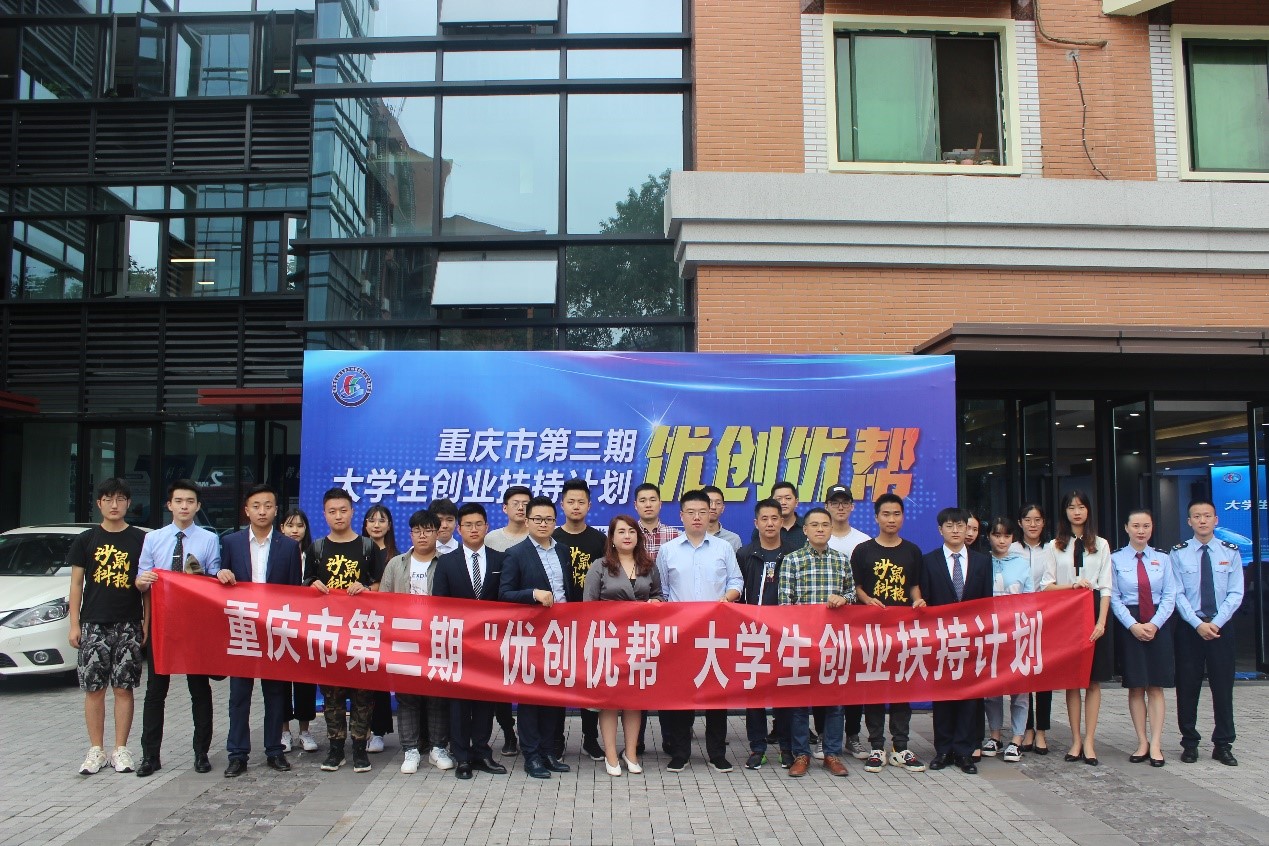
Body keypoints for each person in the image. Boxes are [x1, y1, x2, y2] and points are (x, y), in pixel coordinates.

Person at [134, 479, 221, 778]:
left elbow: (213, 580)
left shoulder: (209, 539)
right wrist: (142, 581)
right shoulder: (153, 538)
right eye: (179, 501)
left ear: (198, 506)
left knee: (200, 690)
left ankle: (201, 753)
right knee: (156, 691)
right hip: (163, 623)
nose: (184, 506)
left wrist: (209, 576)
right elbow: (141, 579)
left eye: (190, 501)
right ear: (169, 505)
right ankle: (150, 755)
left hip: (194, 624)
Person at [216, 484, 303, 777]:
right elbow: (218, 584)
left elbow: (294, 592)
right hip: (242, 627)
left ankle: (274, 750)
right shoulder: (231, 542)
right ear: (247, 510)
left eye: (267, 505)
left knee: (275, 693)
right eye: (256, 506)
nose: (262, 511)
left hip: (274, 628)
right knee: (239, 695)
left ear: (276, 510)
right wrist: (220, 574)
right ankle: (237, 754)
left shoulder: (288, 547)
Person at [656, 489, 743, 773]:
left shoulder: (723, 548)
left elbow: (736, 580)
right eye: (691, 512)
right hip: (680, 633)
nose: (697, 517)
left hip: (715, 632)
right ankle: (680, 752)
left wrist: (727, 598)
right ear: (681, 516)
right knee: (681, 694)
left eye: (702, 512)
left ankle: (717, 753)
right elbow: (662, 590)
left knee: (716, 694)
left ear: (710, 514)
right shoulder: (668, 550)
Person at [69, 478, 147, 776]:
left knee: (124, 688)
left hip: (129, 623)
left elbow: (147, 587)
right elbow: (76, 585)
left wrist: (147, 623)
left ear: (128, 503)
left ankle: (121, 749)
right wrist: (74, 624)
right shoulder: (86, 539)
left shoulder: (140, 539)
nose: (114, 505)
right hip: (93, 623)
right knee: (94, 689)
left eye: (120, 499)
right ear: (99, 503)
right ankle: (96, 749)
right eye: (108, 499)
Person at [304, 487, 383, 774]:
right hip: (329, 632)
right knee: (332, 694)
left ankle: (360, 749)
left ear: (352, 512)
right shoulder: (316, 548)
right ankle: (336, 749)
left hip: (362, 631)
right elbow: (306, 584)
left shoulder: (368, 547)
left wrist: (367, 589)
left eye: (343, 510)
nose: (338, 516)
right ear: (324, 514)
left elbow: (380, 585)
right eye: (332, 511)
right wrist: (313, 587)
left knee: (363, 694)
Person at [582, 514, 665, 776]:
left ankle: (630, 753)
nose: (627, 536)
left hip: (639, 642)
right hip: (607, 642)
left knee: (633, 699)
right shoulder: (600, 566)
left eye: (631, 531)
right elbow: (588, 606)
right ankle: (610, 754)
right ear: (612, 538)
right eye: (621, 532)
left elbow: (659, 595)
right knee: (609, 700)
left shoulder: (648, 565)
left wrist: (656, 602)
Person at [850, 492, 926, 774]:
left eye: (896, 514)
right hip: (872, 631)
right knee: (874, 687)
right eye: (886, 514)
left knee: (901, 687)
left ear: (903, 517)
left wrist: (918, 601)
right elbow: (856, 586)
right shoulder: (863, 550)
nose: (891, 519)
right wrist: (867, 600)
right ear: (876, 518)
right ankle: (876, 746)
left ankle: (900, 747)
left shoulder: (912, 551)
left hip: (903, 631)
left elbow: (914, 586)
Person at [431, 502, 508, 780]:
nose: (473, 529)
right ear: (459, 529)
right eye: (468, 525)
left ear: (487, 527)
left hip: (490, 645)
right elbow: (439, 604)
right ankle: (462, 756)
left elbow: (506, 600)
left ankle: (482, 752)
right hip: (458, 644)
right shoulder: (447, 562)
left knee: (485, 701)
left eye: (478, 524)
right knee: (459, 703)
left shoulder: (500, 560)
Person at [780, 507, 855, 778]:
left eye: (825, 524)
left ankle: (832, 754)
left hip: (834, 643)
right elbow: (784, 605)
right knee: (800, 702)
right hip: (802, 642)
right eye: (814, 525)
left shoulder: (841, 560)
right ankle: (801, 754)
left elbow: (851, 593)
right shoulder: (792, 560)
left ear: (831, 529)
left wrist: (844, 599)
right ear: (805, 530)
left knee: (835, 702)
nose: (820, 529)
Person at [500, 496, 572, 779]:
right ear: (527, 521)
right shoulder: (516, 554)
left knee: (554, 695)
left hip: (560, 634)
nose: (543, 524)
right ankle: (531, 755)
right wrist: (532, 594)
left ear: (555, 522)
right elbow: (504, 594)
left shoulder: (563, 550)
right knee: (531, 697)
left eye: (549, 519)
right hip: (531, 636)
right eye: (538, 519)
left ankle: (548, 751)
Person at [379, 509, 454, 774]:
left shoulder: (447, 563)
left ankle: (437, 748)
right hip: (404, 639)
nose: (422, 536)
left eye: (428, 530)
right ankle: (410, 750)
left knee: (437, 696)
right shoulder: (396, 564)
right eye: (417, 531)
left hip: (436, 638)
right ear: (410, 534)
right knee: (407, 697)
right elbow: (383, 601)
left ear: (437, 533)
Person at [1042, 489, 1113, 766]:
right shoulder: (1054, 545)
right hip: (1067, 612)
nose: (1077, 512)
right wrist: (1071, 586)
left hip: (1094, 610)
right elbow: (1046, 586)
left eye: (1081, 506)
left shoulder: (1102, 545)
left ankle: (1090, 741)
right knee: (1073, 680)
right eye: (1071, 507)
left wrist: (1101, 622)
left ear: (1088, 510)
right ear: (1065, 512)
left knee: (1093, 681)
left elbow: (1106, 587)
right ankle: (1075, 740)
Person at [1171, 499, 1243, 766]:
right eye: (1197, 516)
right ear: (1189, 521)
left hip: (1221, 628)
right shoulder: (1178, 553)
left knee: (1223, 687)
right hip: (1190, 629)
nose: (1202, 520)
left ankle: (1223, 744)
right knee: (1187, 687)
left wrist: (1217, 622)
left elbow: (1236, 592)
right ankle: (1189, 742)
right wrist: (1197, 624)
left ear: (1216, 520)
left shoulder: (1230, 552)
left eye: (1207, 516)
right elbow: (1176, 593)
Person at [922, 506, 992, 774]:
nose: (955, 530)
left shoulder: (982, 562)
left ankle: (964, 751)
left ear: (967, 529)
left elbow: (987, 603)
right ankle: (943, 750)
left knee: (969, 697)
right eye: (949, 526)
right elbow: (925, 602)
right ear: (940, 530)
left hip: (972, 640)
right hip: (940, 640)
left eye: (960, 525)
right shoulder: (929, 561)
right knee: (942, 696)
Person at [737, 499, 800, 770]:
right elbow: (739, 591)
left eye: (775, 518)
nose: (770, 523)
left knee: (785, 693)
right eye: (764, 519)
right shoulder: (745, 554)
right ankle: (757, 747)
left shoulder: (794, 554)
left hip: (786, 635)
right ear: (756, 523)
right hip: (753, 634)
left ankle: (786, 747)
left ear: (782, 522)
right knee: (755, 694)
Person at [1110, 509, 1176, 767]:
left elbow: (1170, 595)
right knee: (1136, 686)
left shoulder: (1163, 558)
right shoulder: (1115, 559)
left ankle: (1156, 743)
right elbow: (1114, 597)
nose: (1141, 530)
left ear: (1152, 528)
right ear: (1126, 528)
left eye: (1146, 526)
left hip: (1158, 622)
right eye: (1136, 525)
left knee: (1156, 686)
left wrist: (1155, 624)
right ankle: (1142, 741)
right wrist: (1132, 625)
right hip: (1130, 623)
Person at [552, 478, 608, 761]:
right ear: (562, 504)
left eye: (581, 502)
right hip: (557, 623)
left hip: (591, 622)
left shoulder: (600, 540)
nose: (576, 506)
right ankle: (556, 738)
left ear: (589, 505)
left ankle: (590, 738)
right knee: (557, 680)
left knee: (590, 681)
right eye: (570, 501)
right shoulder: (551, 537)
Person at [478, 488, 528, 754]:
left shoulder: (540, 536)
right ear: (504, 508)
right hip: (497, 621)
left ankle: (531, 734)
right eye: (515, 503)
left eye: (525, 504)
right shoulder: (491, 539)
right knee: (499, 682)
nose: (521, 508)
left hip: (532, 621)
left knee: (531, 678)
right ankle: (508, 731)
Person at [825, 483, 871, 759]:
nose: (840, 507)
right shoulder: (820, 536)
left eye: (845, 502)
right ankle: (823, 737)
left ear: (852, 506)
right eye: (835, 502)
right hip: (823, 625)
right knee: (825, 680)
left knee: (853, 681)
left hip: (854, 623)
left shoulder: (863, 541)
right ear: (827, 506)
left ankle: (852, 735)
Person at [983, 516, 1033, 764]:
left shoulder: (1023, 564)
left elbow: (1031, 599)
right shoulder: (982, 562)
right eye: (996, 535)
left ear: (1013, 538)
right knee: (992, 689)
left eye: (1006, 535)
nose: (1001, 540)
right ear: (989, 537)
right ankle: (995, 736)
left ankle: (1017, 739)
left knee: (1019, 689)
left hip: (1017, 634)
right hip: (989, 634)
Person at [1012, 503, 1055, 754]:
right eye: (1028, 520)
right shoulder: (1012, 549)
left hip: (1047, 618)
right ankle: (1026, 728)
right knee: (1024, 674)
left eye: (1037, 520)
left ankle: (1042, 731)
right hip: (1019, 620)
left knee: (1043, 675)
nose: (1033, 524)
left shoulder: (1052, 549)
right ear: (1020, 523)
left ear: (1043, 522)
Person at [277, 507, 319, 754]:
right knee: (281, 680)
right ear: (282, 528)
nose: (295, 530)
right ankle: (284, 731)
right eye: (290, 525)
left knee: (305, 680)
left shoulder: (313, 553)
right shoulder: (276, 554)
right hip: (281, 624)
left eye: (300, 526)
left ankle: (305, 731)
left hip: (308, 626)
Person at [362, 504, 397, 754]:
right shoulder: (357, 550)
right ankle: (359, 729)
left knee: (379, 680)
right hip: (358, 624)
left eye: (381, 520)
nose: (376, 525)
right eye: (372, 520)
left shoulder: (396, 557)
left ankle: (378, 732)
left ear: (389, 525)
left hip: (386, 626)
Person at [749, 480, 806, 550]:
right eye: (779, 499)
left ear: (796, 502)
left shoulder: (807, 527)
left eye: (788, 498)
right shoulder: (763, 529)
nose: (783, 502)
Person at [634, 483, 679, 560]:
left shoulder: (675, 535)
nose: (648, 505)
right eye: (642, 501)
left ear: (660, 504)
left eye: (652, 500)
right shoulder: (629, 535)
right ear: (635, 505)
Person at [703, 485, 742, 552]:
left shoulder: (733, 540)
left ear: (723, 508)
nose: (713, 507)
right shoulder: (689, 538)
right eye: (709, 502)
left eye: (718, 503)